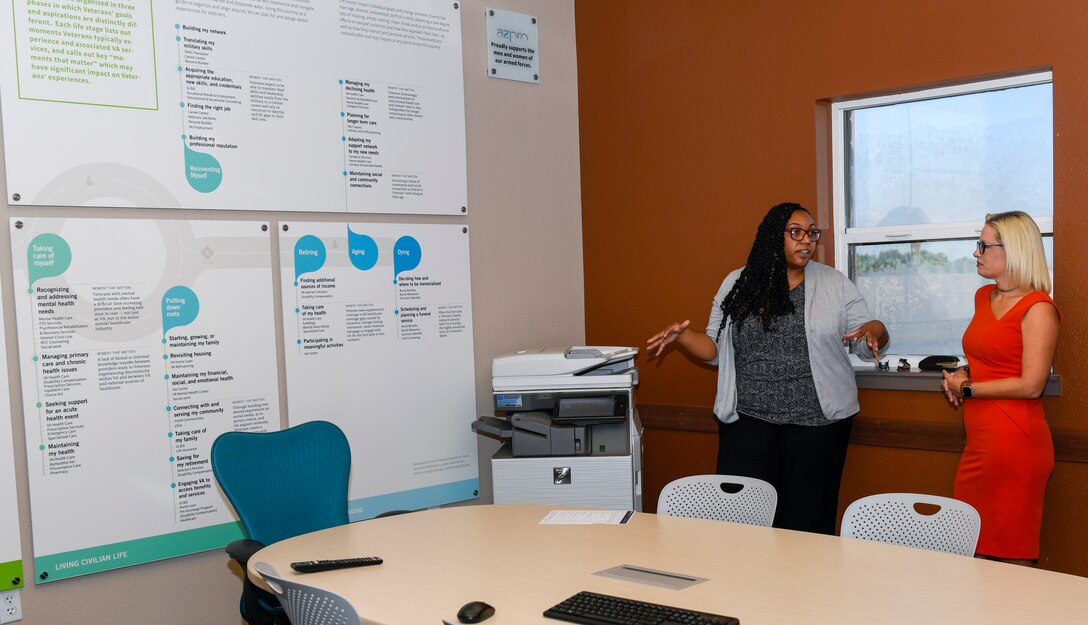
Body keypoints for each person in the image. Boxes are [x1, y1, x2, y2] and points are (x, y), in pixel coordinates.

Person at [647, 202, 889, 534]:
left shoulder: (834, 284)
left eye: (812, 233)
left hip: (817, 426)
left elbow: (866, 336)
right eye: (796, 233)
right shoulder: (738, 283)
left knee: (807, 525)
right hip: (748, 424)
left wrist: (874, 331)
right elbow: (714, 349)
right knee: (742, 524)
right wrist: (683, 336)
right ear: (773, 237)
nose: (806, 241)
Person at [941, 211, 1058, 566]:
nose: (975, 252)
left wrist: (969, 389)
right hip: (979, 445)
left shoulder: (1038, 308)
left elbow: (1032, 385)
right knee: (972, 551)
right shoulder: (983, 297)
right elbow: (985, 356)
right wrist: (961, 372)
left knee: (1011, 559)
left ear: (1013, 250)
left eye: (983, 245)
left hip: (1015, 446)